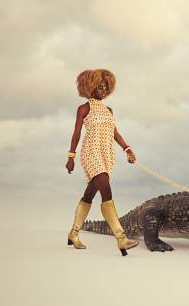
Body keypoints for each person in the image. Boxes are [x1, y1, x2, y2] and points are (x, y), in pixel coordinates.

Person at [64, 68, 139, 256]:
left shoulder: (109, 110)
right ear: (90, 87)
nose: (103, 90)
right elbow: (76, 133)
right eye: (100, 86)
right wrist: (70, 157)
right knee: (106, 189)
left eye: (106, 87)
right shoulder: (84, 108)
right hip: (91, 153)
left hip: (107, 154)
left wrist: (127, 149)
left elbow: (115, 133)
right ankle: (121, 239)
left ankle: (73, 234)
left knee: (89, 194)